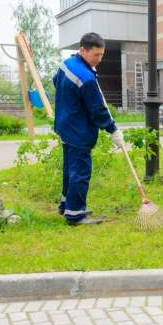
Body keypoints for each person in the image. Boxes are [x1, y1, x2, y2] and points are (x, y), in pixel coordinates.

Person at [53, 32, 125, 226]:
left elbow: (55, 81)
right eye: (96, 55)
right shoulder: (86, 77)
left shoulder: (67, 64)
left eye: (102, 55)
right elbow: (98, 110)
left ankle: (67, 204)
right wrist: (113, 130)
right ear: (82, 50)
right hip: (78, 131)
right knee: (80, 171)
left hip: (65, 125)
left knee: (70, 168)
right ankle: (76, 214)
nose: (99, 60)